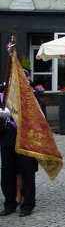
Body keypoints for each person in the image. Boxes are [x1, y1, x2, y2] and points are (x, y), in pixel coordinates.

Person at [0, 89, 38, 217]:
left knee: (27, 174)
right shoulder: (2, 98)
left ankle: (27, 205)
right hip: (7, 140)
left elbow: (35, 117)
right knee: (7, 175)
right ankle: (9, 204)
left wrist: (13, 113)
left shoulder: (28, 97)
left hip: (25, 140)